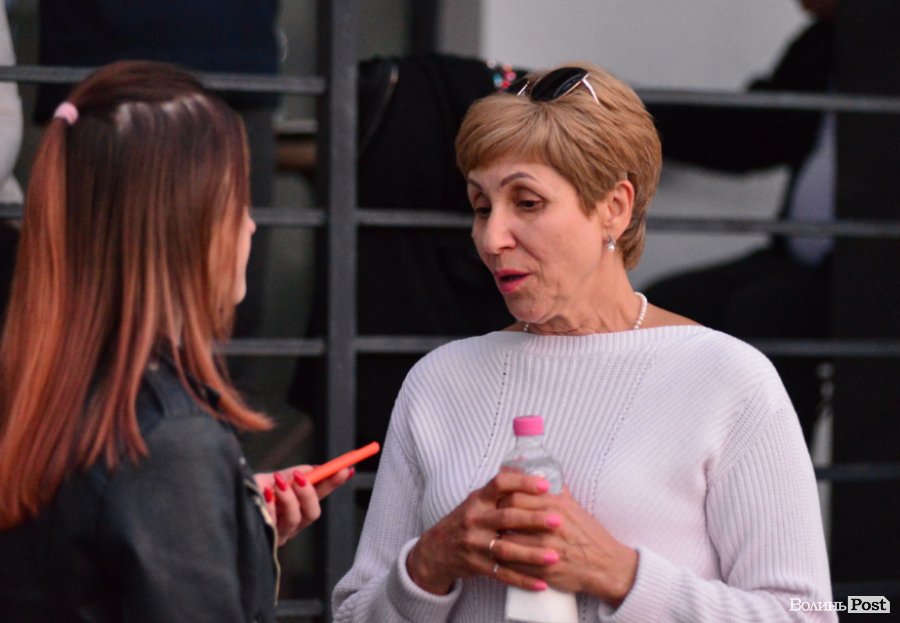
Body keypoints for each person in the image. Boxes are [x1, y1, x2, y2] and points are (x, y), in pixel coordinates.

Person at [332, 62, 834, 621]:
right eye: (481, 206)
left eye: (527, 202)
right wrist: (428, 564)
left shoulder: (728, 379)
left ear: (614, 208)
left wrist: (620, 575)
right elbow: (353, 613)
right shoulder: (438, 380)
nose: (492, 238)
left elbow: (806, 613)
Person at [0, 61, 348, 622]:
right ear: (182, 224)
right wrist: (199, 512)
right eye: (235, 200)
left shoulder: (46, 393)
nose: (250, 226)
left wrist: (230, 528)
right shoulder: (169, 443)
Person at [645, 0, 836, 442]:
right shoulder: (822, 43)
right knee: (667, 309)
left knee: (769, 312)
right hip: (794, 258)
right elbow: (752, 132)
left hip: (870, 272)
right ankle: (683, 474)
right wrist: (628, 117)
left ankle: (775, 479)